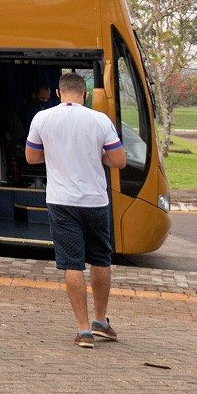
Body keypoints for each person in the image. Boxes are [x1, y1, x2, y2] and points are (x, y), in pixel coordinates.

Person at [24, 70, 127, 348]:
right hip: (95, 201)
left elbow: (31, 157)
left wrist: (56, 153)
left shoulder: (42, 118)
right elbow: (119, 161)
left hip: (61, 201)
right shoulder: (99, 119)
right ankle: (101, 321)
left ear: (59, 93)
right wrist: (97, 154)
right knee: (100, 260)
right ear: (85, 94)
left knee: (72, 263)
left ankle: (83, 330)